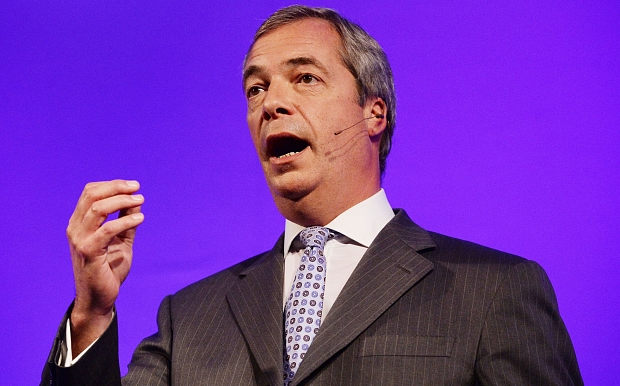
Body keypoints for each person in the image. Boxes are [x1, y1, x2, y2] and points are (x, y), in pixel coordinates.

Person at [41, 5, 582, 386]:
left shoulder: (495, 292)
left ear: (374, 113)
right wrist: (91, 312)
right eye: (256, 88)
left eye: (304, 79)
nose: (271, 102)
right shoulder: (190, 318)